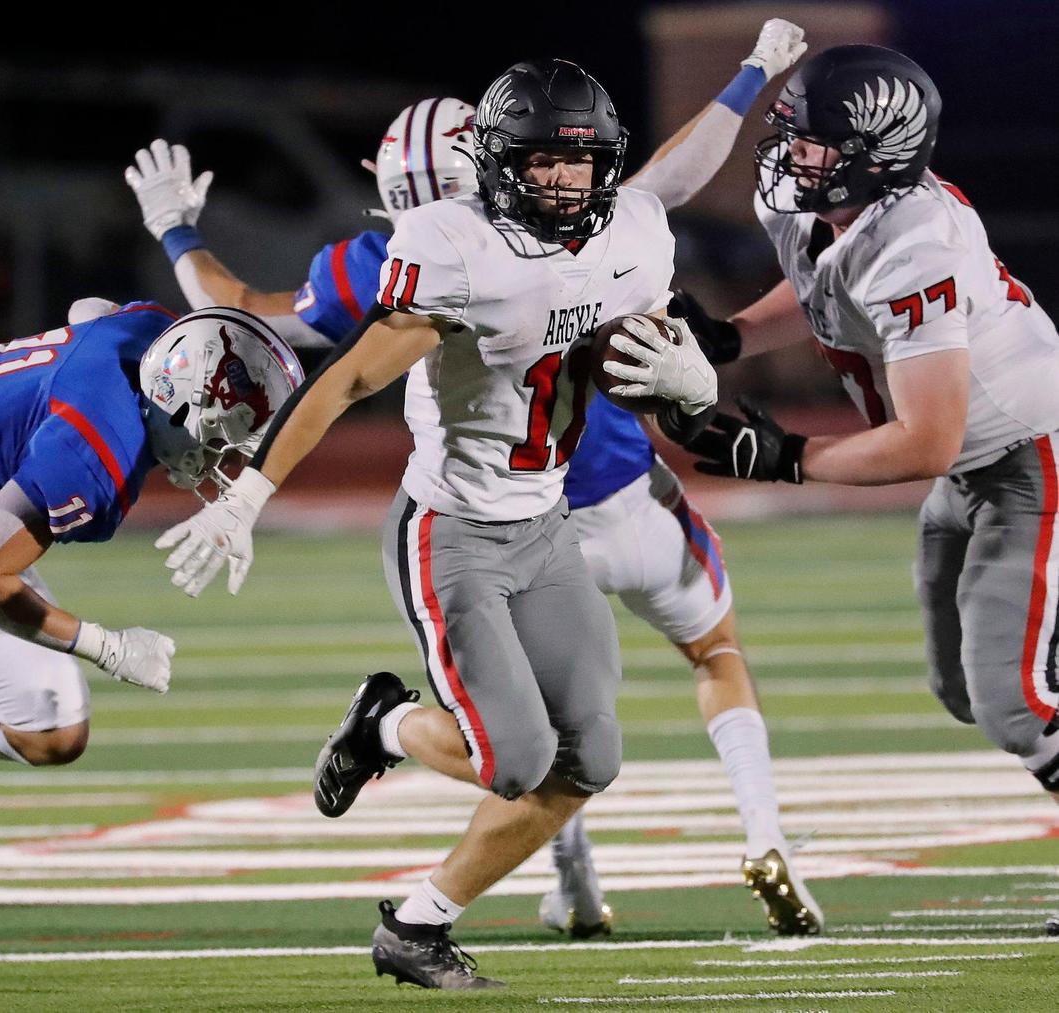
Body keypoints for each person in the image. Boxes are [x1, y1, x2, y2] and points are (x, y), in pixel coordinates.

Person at [124, 20, 820, 940]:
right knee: (526, 747)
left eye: (575, 163)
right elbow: (346, 375)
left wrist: (690, 381)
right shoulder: (448, 247)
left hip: (554, 515)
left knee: (586, 748)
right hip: (478, 517)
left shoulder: (620, 231)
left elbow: (252, 309)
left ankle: (460, 907)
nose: (563, 181)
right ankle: (426, 784)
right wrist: (250, 490)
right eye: (540, 163)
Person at [670, 43, 1059, 928]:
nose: (791, 155)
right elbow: (819, 292)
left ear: (876, 155)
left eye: (814, 142)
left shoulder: (919, 244)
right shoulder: (824, 207)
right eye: (793, 135)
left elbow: (926, 438)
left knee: (1015, 703)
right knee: (963, 685)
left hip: (1035, 454)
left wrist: (783, 457)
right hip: (978, 462)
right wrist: (728, 340)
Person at [0, 301, 301, 768]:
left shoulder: (153, 333)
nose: (226, 463)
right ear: (182, 406)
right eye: (222, 443)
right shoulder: (97, 455)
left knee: (50, 727)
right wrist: (106, 648)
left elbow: (90, 310)